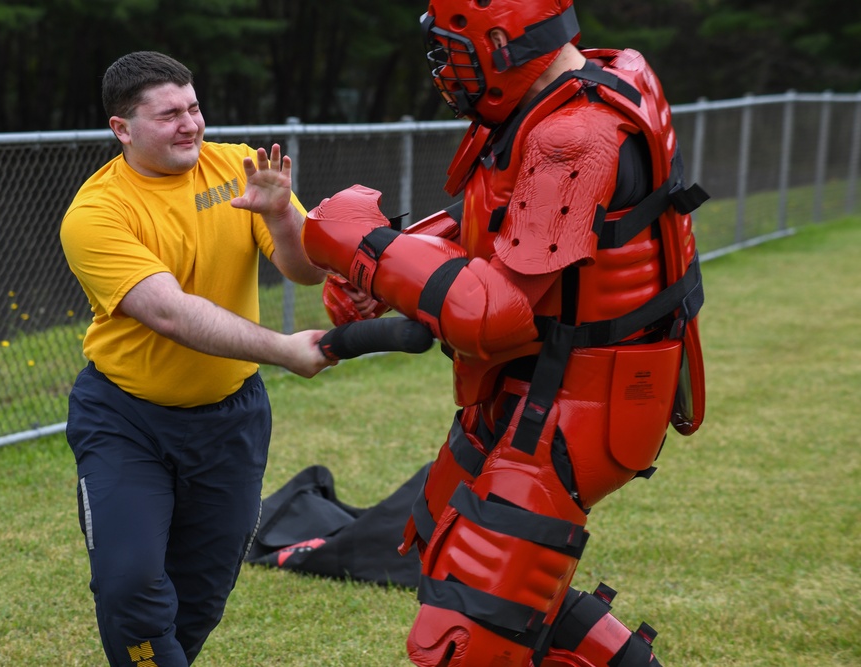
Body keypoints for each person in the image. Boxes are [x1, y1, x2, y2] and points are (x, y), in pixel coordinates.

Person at [301, 1, 708, 665]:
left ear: (501, 40)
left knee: (460, 641)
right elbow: (507, 223)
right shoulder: (574, 89)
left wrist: (364, 246)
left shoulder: (577, 133)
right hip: (533, 383)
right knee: (445, 550)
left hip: (577, 402)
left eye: (453, 49)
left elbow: (495, 311)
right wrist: (391, 262)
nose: (443, 69)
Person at [59, 50, 334, 666]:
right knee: (130, 584)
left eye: (194, 107)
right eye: (168, 116)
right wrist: (285, 350)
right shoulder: (97, 212)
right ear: (121, 128)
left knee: (201, 596)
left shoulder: (240, 166)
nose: (190, 125)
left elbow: (309, 270)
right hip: (127, 419)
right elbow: (169, 313)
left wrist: (282, 220)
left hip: (231, 418)